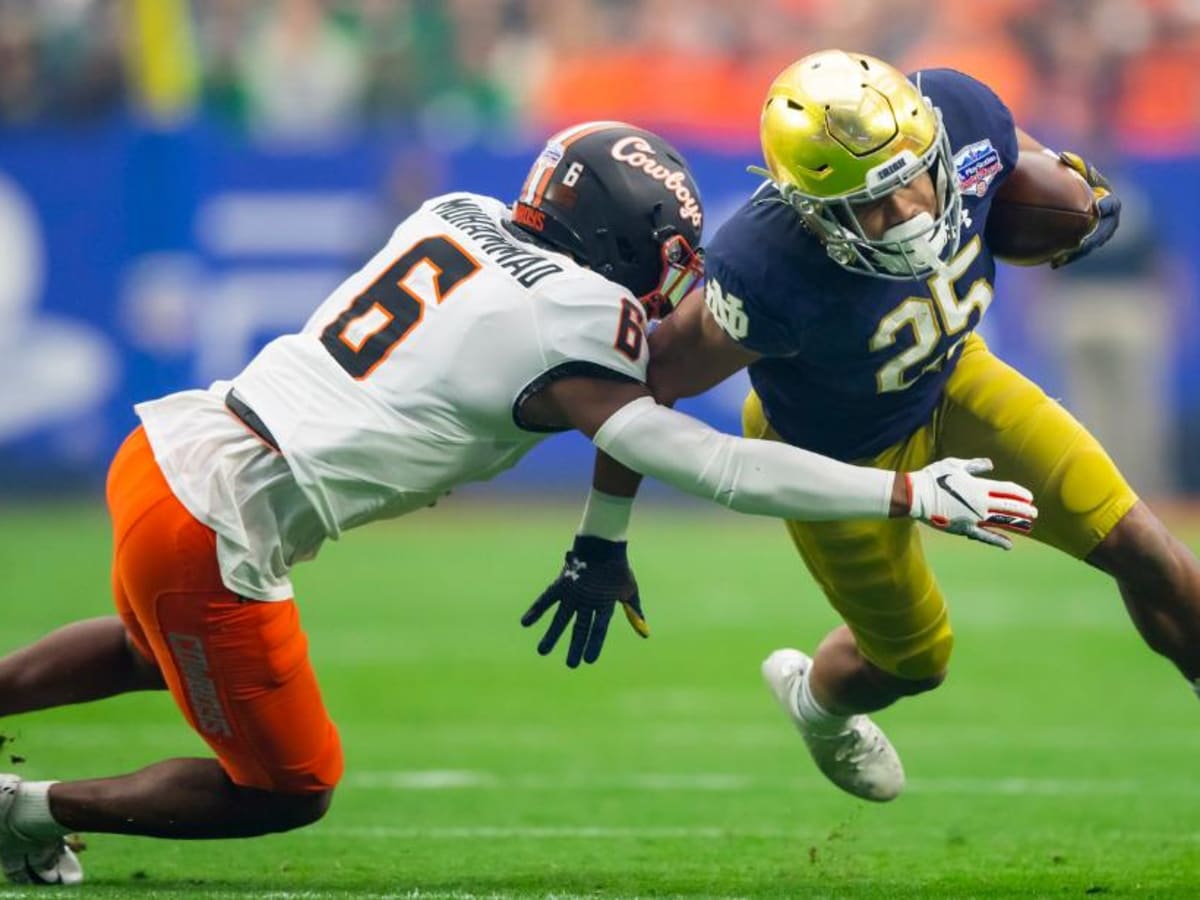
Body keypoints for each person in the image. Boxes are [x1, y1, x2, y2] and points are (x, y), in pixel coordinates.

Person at [0, 119, 1036, 884]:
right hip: (217, 521)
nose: (666, 284)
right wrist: (903, 492)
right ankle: (27, 812)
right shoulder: (577, 318)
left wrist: (598, 533)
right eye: (664, 255)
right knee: (287, 786)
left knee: (157, 654)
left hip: (169, 452)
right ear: (621, 240)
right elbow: (712, 464)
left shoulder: (459, 212)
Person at [525, 50, 1200, 804]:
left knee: (1147, 551)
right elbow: (647, 389)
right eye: (867, 204)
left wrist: (1073, 194)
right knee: (913, 662)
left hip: (955, 379)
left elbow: (1022, 159)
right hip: (835, 454)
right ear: (810, 210)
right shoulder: (767, 268)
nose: (905, 211)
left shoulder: (961, 114)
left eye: (909, 178)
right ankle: (817, 705)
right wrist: (602, 534)